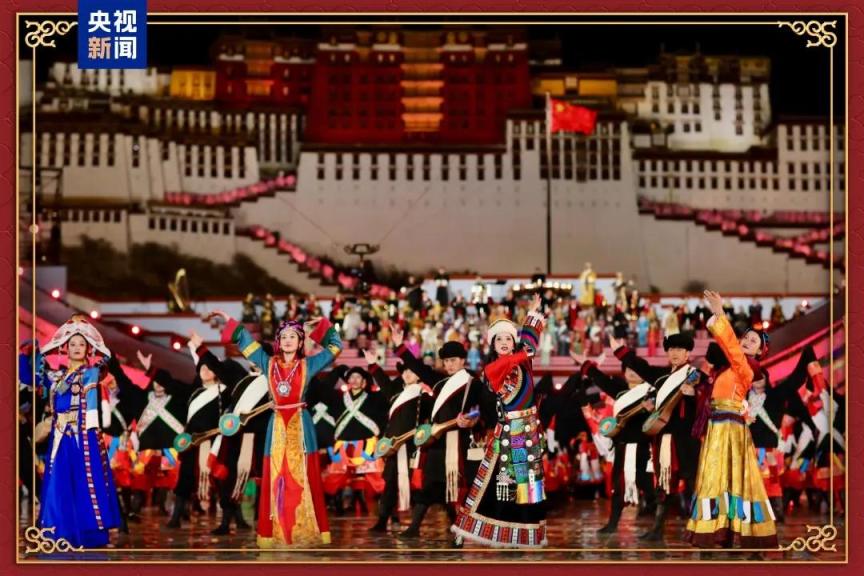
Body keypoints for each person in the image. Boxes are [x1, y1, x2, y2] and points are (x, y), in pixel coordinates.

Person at [213, 310, 343, 548]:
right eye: (284, 337)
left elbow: (335, 347)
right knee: (276, 476)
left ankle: (303, 528)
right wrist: (228, 320)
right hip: (277, 427)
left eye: (293, 336)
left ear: (301, 342)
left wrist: (323, 327)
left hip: (300, 425)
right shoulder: (268, 363)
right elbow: (246, 343)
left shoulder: (308, 365)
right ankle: (277, 529)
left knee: (302, 476)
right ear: (278, 342)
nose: (288, 340)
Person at [451, 294, 549, 548]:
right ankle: (471, 529)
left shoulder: (524, 363)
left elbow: (528, 345)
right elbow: (525, 350)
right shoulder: (492, 370)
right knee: (498, 484)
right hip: (509, 433)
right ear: (492, 345)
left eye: (508, 338)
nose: (504, 343)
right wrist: (526, 339)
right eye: (499, 339)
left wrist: (532, 314)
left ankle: (525, 535)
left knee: (528, 486)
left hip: (528, 433)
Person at [684, 290, 777, 548]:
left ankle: (731, 529)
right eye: (745, 337)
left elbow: (732, 349)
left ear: (760, 352)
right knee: (716, 476)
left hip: (731, 427)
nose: (747, 341)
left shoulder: (747, 368)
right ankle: (719, 529)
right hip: (717, 424)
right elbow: (729, 349)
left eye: (753, 341)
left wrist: (719, 313)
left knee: (731, 476)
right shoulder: (729, 367)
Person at [36, 315, 121, 547]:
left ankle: (87, 532)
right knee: (58, 482)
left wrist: (84, 328)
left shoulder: (90, 373)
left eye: (82, 344)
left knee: (83, 482)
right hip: (60, 435)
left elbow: (107, 359)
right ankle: (57, 531)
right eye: (72, 343)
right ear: (65, 347)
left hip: (82, 435)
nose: (76, 348)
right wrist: (40, 350)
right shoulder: (58, 377)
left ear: (88, 348)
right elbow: (37, 371)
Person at [391, 336, 484, 539]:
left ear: (463, 360)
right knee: (433, 484)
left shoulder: (474, 384)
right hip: (435, 441)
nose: (449, 364)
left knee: (452, 487)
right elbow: (418, 367)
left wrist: (473, 421)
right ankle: (419, 527)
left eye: (453, 360)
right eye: (446, 361)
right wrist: (400, 346)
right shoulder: (439, 382)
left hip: (458, 442)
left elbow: (482, 411)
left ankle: (453, 528)